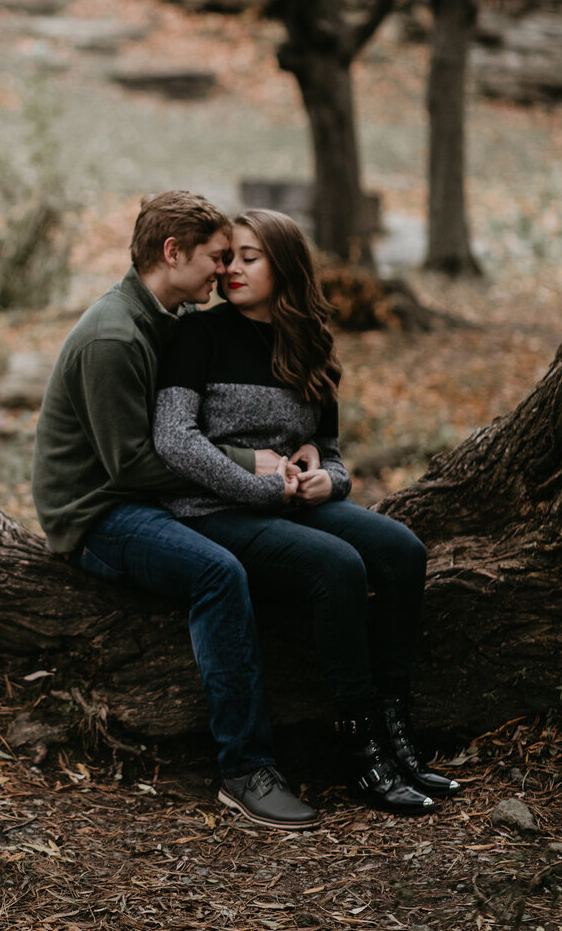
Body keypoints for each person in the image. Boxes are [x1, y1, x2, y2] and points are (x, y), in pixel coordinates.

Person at [153, 208, 460, 817]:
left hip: (290, 504)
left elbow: (334, 454)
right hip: (211, 512)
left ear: (285, 266)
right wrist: (266, 488)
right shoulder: (198, 335)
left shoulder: (310, 344)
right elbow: (174, 438)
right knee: (337, 565)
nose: (232, 269)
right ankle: (361, 745)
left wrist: (329, 481)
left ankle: (396, 729)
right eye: (229, 257)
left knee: (403, 552)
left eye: (249, 257)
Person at [32, 190, 319, 832]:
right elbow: (129, 465)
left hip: (152, 497)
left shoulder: (161, 316)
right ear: (173, 252)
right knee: (218, 574)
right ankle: (246, 770)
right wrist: (248, 467)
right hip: (98, 514)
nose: (225, 271)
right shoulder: (114, 334)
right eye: (217, 258)